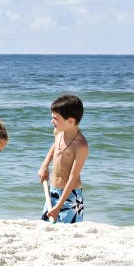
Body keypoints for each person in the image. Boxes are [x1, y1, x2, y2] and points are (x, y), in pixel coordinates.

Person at [38, 94, 88, 223]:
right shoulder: (58, 132)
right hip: (53, 190)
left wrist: (59, 206)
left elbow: (73, 177)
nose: (52, 121)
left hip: (71, 196)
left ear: (70, 121)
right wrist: (45, 166)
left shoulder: (81, 146)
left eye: (55, 118)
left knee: (69, 231)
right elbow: (55, 147)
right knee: (47, 226)